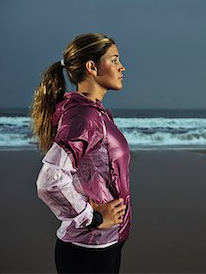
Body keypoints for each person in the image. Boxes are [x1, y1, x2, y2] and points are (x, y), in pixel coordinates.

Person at [30, 33, 131, 273]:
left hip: (103, 243)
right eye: (114, 60)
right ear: (92, 67)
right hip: (90, 248)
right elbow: (50, 180)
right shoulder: (85, 117)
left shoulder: (93, 112)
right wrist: (94, 218)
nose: (122, 67)